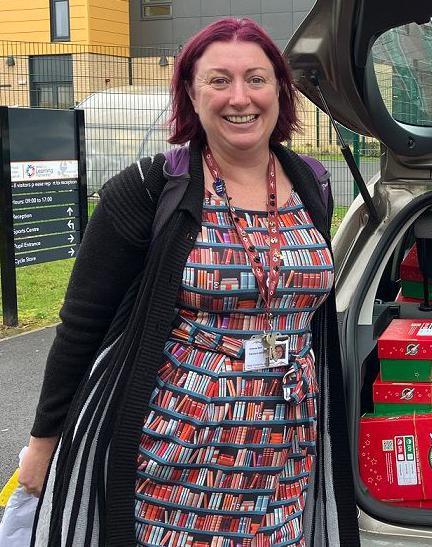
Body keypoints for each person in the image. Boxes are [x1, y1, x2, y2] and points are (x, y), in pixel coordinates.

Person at [19, 18, 358, 546]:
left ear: (279, 90)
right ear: (191, 94)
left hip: (287, 447)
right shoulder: (148, 188)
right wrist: (43, 445)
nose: (240, 97)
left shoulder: (311, 182)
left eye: (256, 79)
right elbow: (81, 325)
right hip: (178, 452)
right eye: (219, 80)